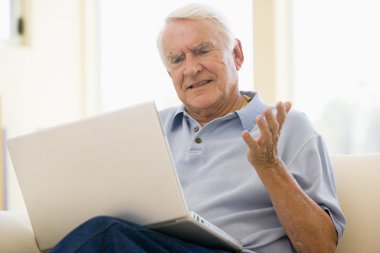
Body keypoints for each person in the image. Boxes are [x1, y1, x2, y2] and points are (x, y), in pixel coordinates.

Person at [51, 3, 345, 253]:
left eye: (202, 51)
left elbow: (320, 246)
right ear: (170, 74)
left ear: (237, 55)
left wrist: (269, 166)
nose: (191, 69)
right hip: (153, 245)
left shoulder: (287, 126)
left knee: (104, 235)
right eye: (177, 60)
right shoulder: (152, 129)